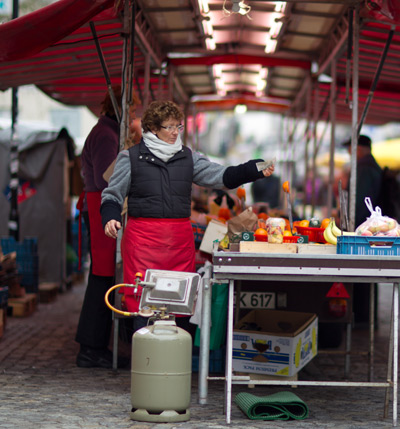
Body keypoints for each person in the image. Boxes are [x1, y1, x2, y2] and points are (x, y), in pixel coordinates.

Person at [101, 100, 274, 333]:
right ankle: (146, 361)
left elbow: (221, 176)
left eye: (178, 127)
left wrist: (253, 169)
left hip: (178, 242)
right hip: (143, 242)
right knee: (144, 302)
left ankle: (177, 359)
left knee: (180, 301)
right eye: (169, 127)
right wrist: (110, 216)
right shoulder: (129, 157)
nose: (175, 132)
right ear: (152, 128)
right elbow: (112, 194)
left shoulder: (188, 157)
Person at [75, 85, 140, 369]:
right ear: (121, 108)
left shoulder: (108, 131)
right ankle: (91, 348)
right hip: (101, 207)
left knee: (104, 277)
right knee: (102, 277)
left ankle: (95, 346)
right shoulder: (105, 134)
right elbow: (106, 179)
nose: (134, 114)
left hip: (101, 206)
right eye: (132, 109)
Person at [342, 134, 383, 326]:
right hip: (370, 228)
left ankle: (363, 318)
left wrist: (353, 226)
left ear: (358, 149)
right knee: (367, 275)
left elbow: (361, 203)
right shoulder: (369, 166)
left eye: (350, 149)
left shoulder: (365, 169)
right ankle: (365, 317)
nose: (349, 153)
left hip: (365, 229)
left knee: (363, 274)